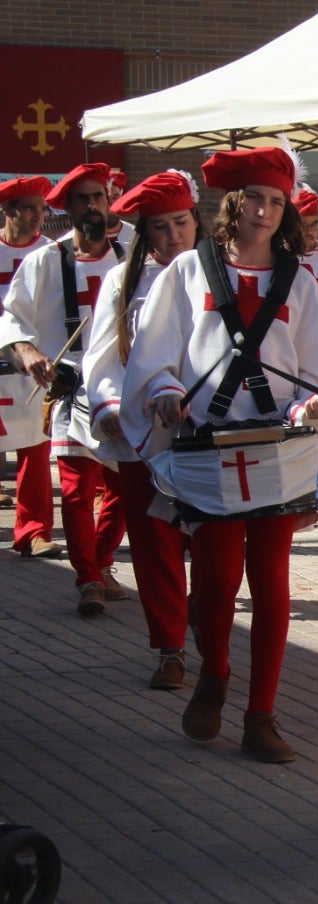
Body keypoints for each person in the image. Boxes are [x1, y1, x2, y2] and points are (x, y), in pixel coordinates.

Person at [123, 145, 318, 763]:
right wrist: (167, 393)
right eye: (256, 198)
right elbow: (156, 352)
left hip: (276, 447)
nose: (266, 211)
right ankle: (215, 675)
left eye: (278, 202)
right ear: (233, 203)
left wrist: (314, 408)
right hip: (208, 446)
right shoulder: (186, 273)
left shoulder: (298, 283)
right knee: (218, 578)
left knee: (271, 580)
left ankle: (261, 714)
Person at [82, 170, 201, 690]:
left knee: (216, 546)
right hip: (144, 436)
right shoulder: (123, 281)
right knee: (154, 545)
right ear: (143, 232)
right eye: (159, 227)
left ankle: (210, 633)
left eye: (181, 222)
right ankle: (170, 647)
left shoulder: (217, 273)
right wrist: (108, 402)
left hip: (207, 432)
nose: (173, 235)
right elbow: (103, 353)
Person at [0, 163, 127, 614]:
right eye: (82, 199)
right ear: (68, 207)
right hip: (71, 387)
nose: (92, 206)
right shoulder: (43, 261)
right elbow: (12, 316)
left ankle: (102, 558)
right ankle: (88, 578)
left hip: (122, 386)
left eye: (98, 197)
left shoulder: (131, 253)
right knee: (75, 490)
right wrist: (27, 350)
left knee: (125, 489)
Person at [1, 174, 60, 559]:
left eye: (42, 209)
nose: (39, 217)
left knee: (35, 447)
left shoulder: (52, 254)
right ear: (7, 211)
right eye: (29, 209)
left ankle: (34, 530)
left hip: (31, 363)